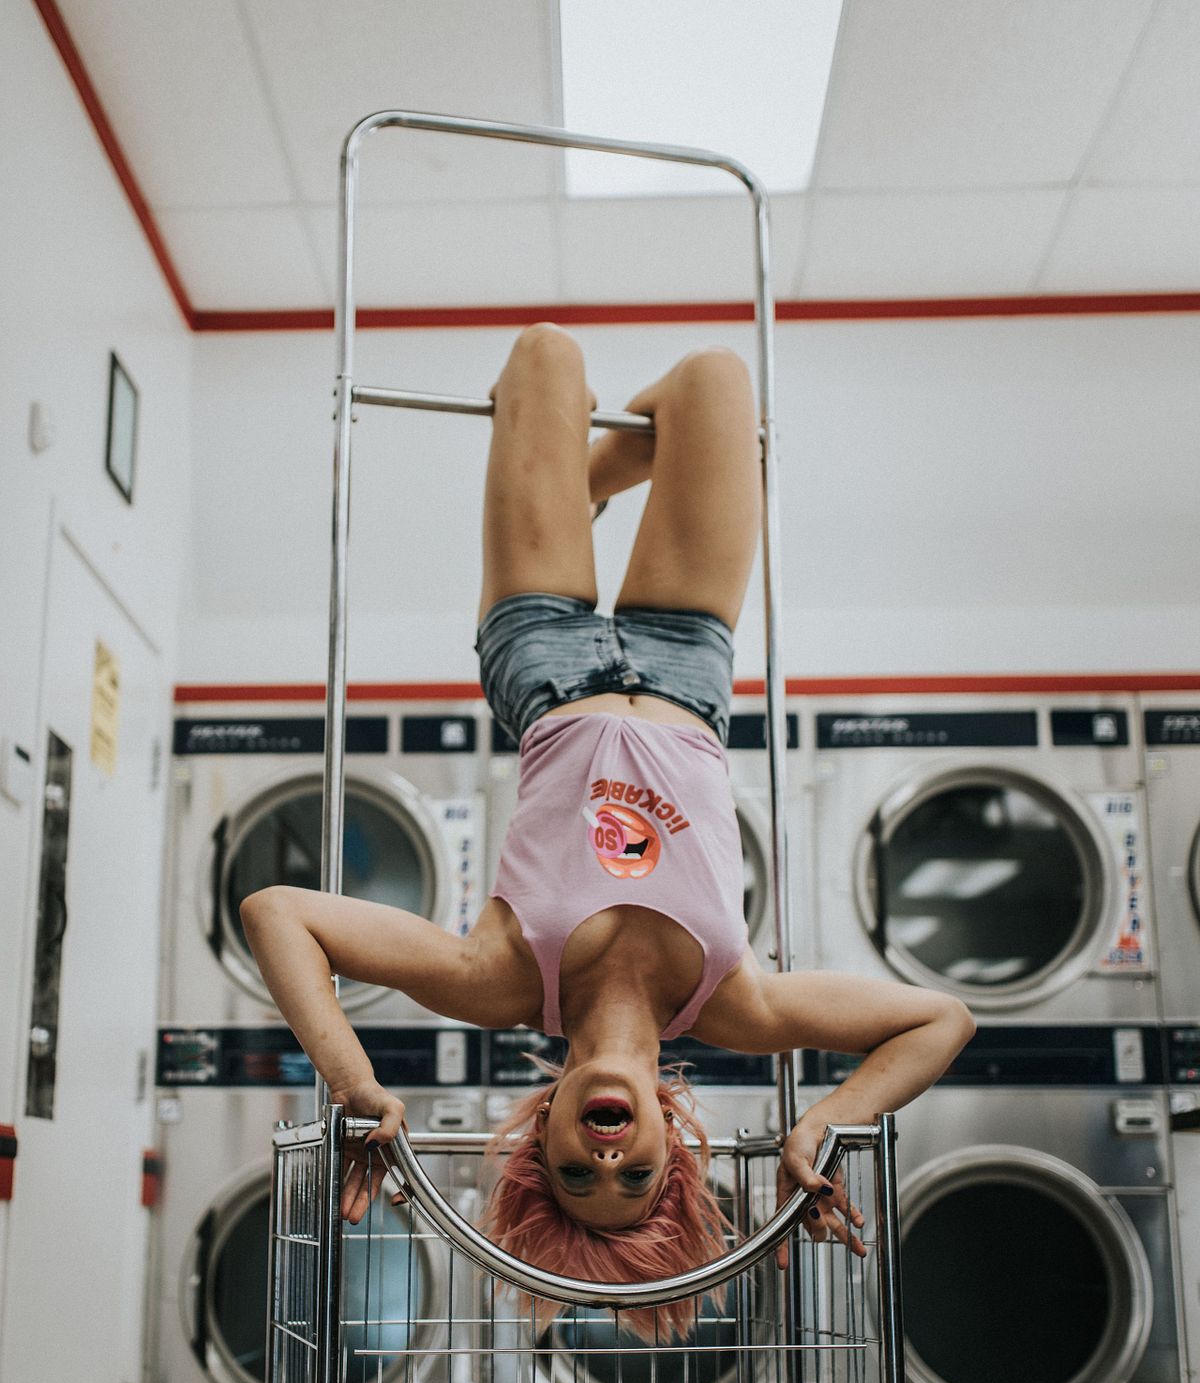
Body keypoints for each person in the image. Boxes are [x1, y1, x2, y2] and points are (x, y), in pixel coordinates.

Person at [240, 325, 975, 1326]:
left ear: (539, 1140)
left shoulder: (501, 982)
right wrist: (830, 1121)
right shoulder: (733, 1006)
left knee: (546, 356)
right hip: (690, 667)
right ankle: (589, 486)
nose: (608, 1162)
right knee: (716, 381)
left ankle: (574, 500)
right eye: (635, 1183)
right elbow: (942, 1020)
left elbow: (278, 911)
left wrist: (356, 1086)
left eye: (576, 1180)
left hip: (543, 660)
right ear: (677, 1149)